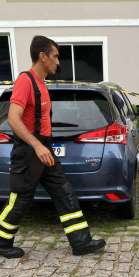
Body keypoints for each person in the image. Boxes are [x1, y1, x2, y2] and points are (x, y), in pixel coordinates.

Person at [0, 35, 106, 259]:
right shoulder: (25, 82)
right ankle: (1, 242)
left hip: (43, 149)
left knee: (64, 191)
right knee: (20, 199)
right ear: (42, 56)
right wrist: (37, 146)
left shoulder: (41, 83)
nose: (58, 62)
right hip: (29, 152)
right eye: (55, 56)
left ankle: (81, 242)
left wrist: (43, 145)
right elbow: (13, 118)